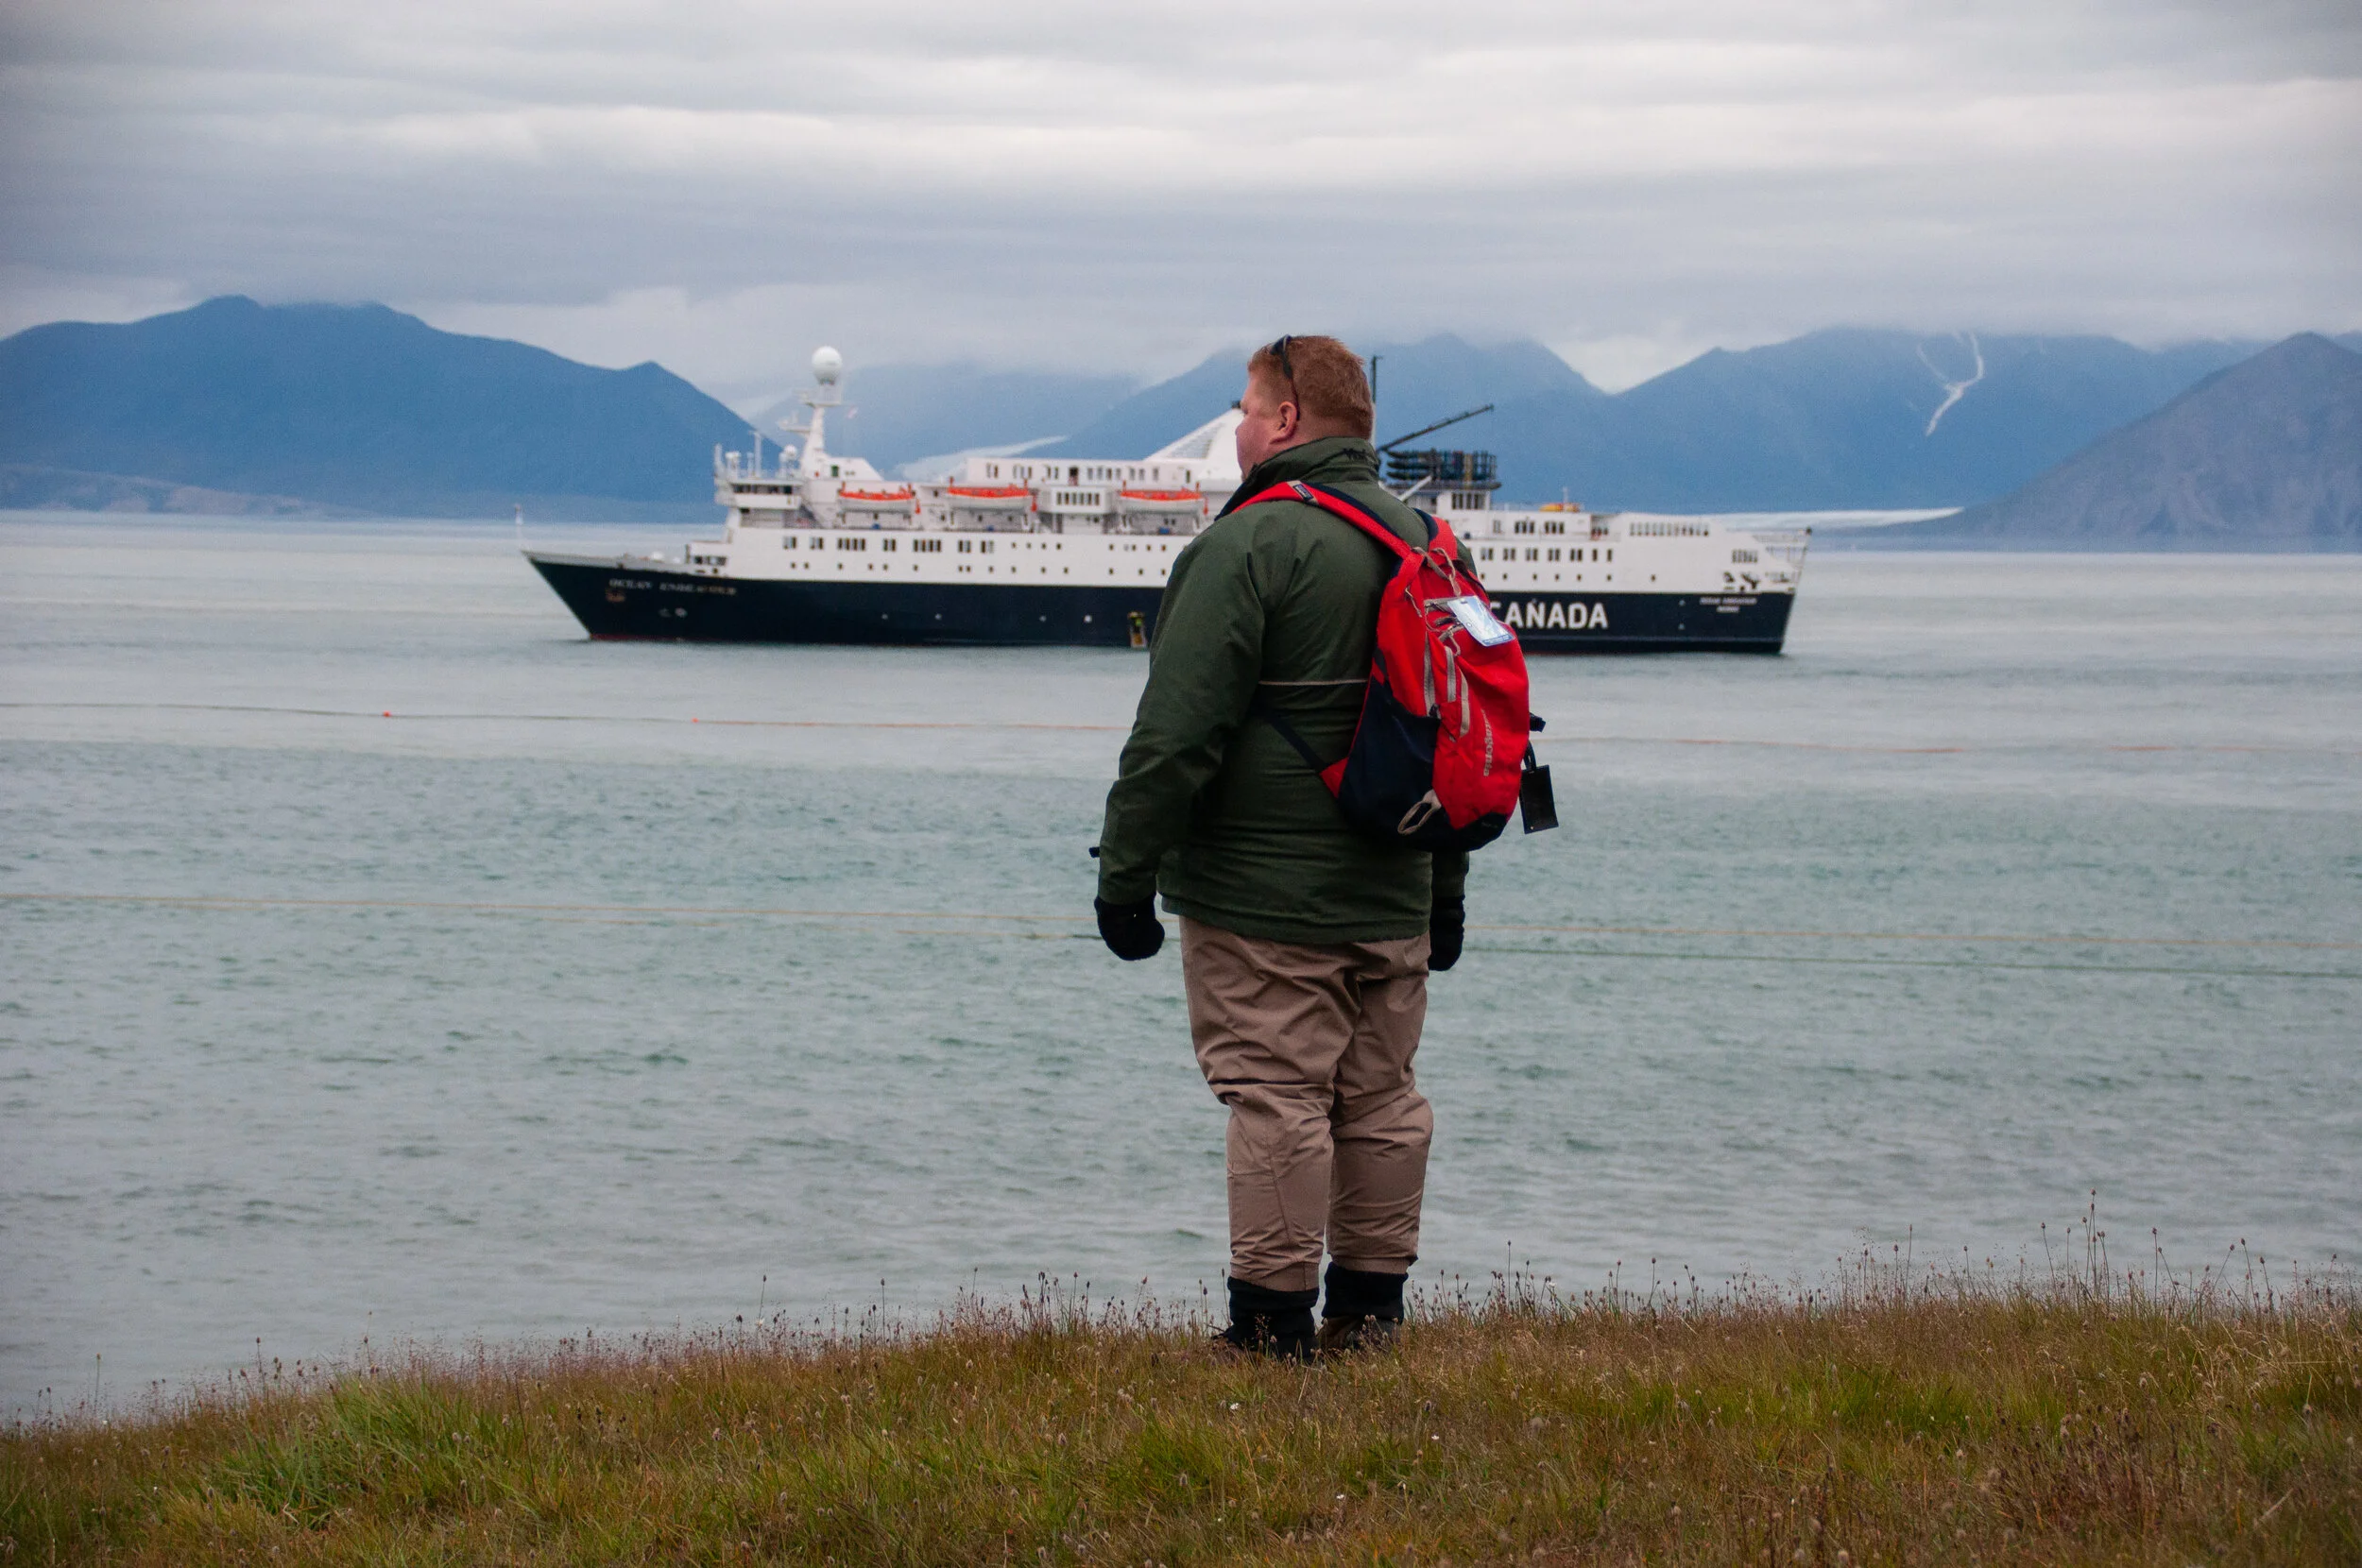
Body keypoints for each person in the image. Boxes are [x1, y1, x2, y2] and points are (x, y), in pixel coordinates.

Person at [1093, 334, 1468, 1359]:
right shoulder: (1430, 542)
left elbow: (1173, 736)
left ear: (1288, 419)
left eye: (1247, 410)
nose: (1239, 428)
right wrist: (1444, 894)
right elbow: (1454, 739)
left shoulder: (1248, 544)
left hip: (1262, 900)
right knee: (1382, 1100)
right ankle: (1370, 1318)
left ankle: (1268, 1327)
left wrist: (1124, 878)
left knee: (1277, 1099)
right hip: (1396, 887)